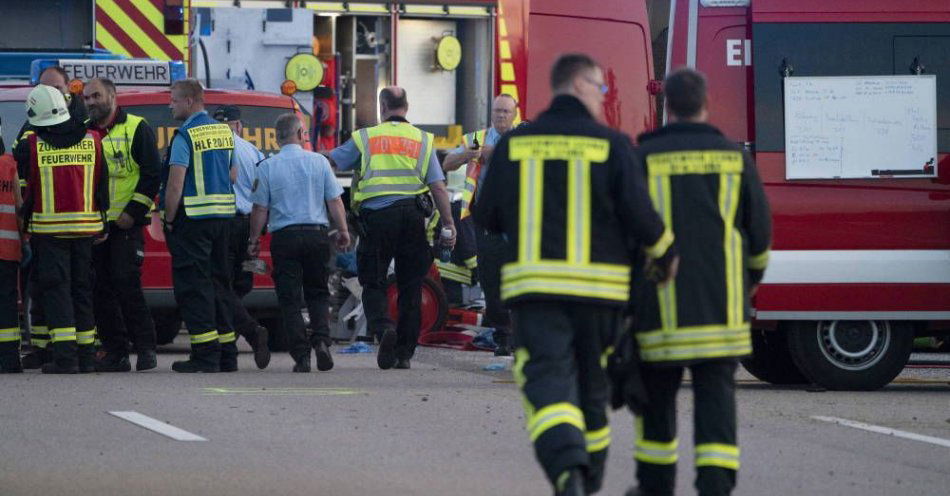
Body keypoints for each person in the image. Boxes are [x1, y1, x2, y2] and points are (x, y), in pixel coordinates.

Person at [471, 54, 677, 496]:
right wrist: (666, 255)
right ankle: (591, 479)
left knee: (546, 384)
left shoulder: (514, 146)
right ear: (581, 86)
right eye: (601, 89)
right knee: (591, 390)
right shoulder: (613, 145)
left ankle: (569, 472)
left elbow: (484, 214)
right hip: (601, 297)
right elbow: (643, 220)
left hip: (537, 292)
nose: (603, 99)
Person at [624, 68, 771, 496]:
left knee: (656, 404)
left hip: (659, 308)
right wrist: (747, 284)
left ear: (666, 105)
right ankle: (715, 486)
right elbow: (759, 235)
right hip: (720, 308)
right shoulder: (734, 158)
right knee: (716, 404)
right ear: (706, 103)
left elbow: (626, 232)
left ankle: (654, 487)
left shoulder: (643, 157)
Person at [328, 87, 456, 370]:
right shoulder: (422, 140)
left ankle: (384, 328)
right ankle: (404, 353)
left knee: (372, 281)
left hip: (376, 219)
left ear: (382, 106)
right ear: (406, 107)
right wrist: (448, 224)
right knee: (412, 285)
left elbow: (331, 161)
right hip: (412, 218)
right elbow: (438, 187)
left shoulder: (366, 137)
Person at [14, 85, 109, 374]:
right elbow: (101, 187)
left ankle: (66, 357)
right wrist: (102, 222)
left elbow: (26, 194)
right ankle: (87, 356)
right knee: (82, 290)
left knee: (57, 292)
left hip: (49, 233)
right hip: (85, 230)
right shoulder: (93, 140)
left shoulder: (33, 146)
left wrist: (23, 226)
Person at [249, 114, 348, 372]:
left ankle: (301, 356)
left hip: (285, 238)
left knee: (290, 298)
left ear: (277, 137)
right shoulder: (319, 162)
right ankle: (322, 342)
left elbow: (260, 208)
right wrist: (343, 230)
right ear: (301, 133)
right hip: (316, 235)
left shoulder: (267, 167)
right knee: (318, 292)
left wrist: (254, 239)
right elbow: (335, 201)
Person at [82, 78, 161, 372]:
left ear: (113, 96)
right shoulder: (85, 131)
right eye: (87, 98)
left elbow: (152, 174)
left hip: (126, 225)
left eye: (96, 96)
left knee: (126, 285)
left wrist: (133, 210)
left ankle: (146, 348)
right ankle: (115, 351)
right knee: (100, 290)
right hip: (95, 226)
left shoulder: (137, 127)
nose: (90, 102)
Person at [159, 79, 237, 373]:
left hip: (192, 220)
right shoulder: (223, 131)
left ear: (189, 101)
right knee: (220, 285)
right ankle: (227, 354)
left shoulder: (185, 136)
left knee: (194, 289)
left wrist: (168, 217)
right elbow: (232, 174)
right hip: (223, 219)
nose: (170, 105)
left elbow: (175, 182)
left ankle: (205, 355)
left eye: (173, 100)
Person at [444, 94, 518, 356]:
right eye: (497, 111)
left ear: (515, 113)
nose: (501, 116)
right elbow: (447, 163)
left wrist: (491, 152)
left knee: (518, 277)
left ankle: (518, 334)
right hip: (487, 218)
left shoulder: (522, 137)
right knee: (490, 277)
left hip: (519, 219)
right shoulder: (478, 139)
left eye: (506, 112)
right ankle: (502, 336)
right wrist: (468, 154)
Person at [213, 104, 270, 370]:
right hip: (248, 225)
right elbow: (262, 193)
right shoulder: (253, 151)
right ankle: (229, 345)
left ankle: (247, 332)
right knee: (240, 283)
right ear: (239, 125)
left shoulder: (213, 147)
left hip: (223, 224)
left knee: (221, 285)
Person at [0, 124, 25, 373]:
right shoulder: (9, 166)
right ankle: (9, 360)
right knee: (6, 304)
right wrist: (25, 238)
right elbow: (19, 207)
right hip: (6, 250)